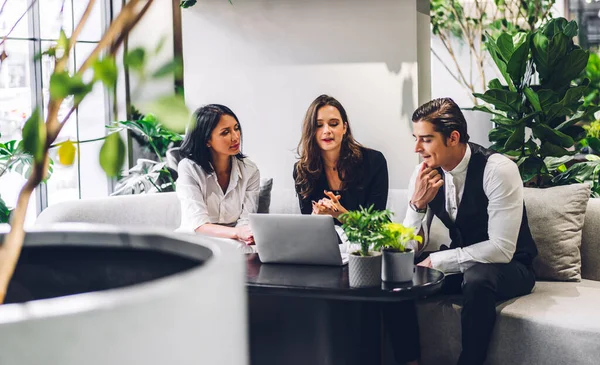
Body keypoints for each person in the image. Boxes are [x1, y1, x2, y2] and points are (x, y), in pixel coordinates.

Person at [389, 97, 538, 365]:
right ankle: (408, 360)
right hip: (463, 265)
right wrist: (417, 204)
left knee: (478, 278)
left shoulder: (498, 170)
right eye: (416, 138)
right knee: (395, 271)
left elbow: (502, 249)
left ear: (453, 137)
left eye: (426, 139)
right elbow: (407, 248)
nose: (416, 148)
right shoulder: (423, 173)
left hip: (511, 266)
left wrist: (437, 260)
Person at [293, 94, 388, 221]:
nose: (327, 130)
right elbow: (308, 224)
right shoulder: (302, 170)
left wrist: (340, 215)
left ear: (344, 128)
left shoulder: (374, 161)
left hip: (367, 240)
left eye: (333, 124)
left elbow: (377, 223)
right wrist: (315, 216)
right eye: (318, 125)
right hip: (326, 240)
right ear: (311, 130)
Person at [175, 104, 260, 246]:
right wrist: (238, 233)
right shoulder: (189, 168)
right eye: (225, 132)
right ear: (207, 140)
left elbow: (246, 221)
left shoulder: (250, 170)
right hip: (195, 243)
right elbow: (199, 225)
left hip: (236, 244)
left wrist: (241, 234)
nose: (235, 137)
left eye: (236, 128)